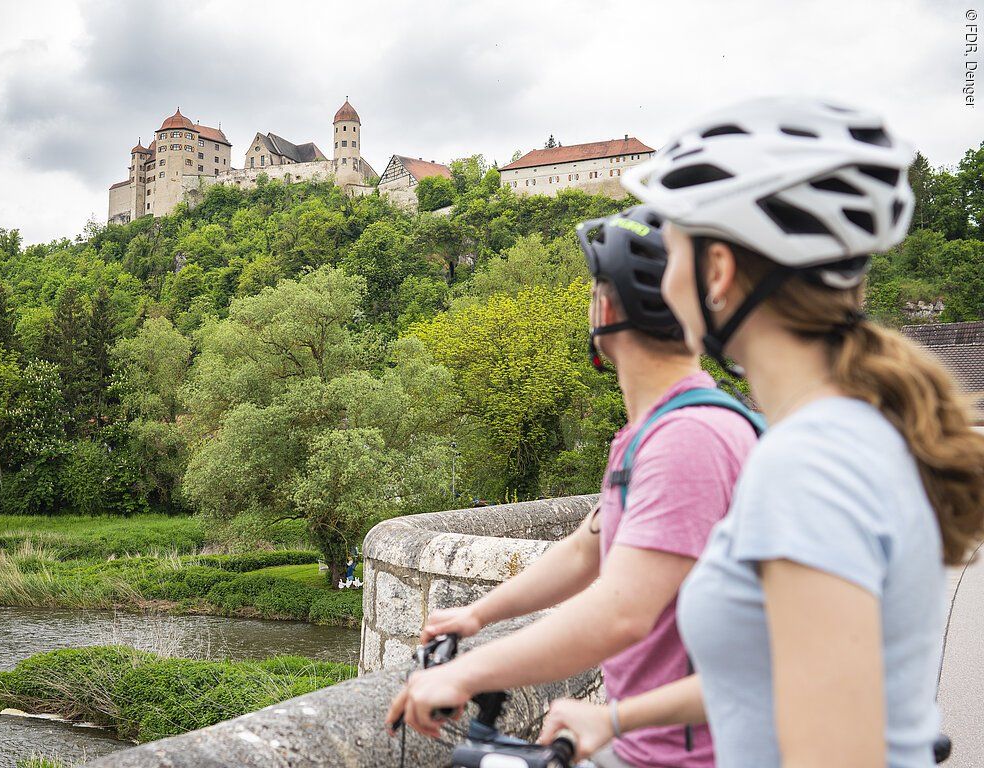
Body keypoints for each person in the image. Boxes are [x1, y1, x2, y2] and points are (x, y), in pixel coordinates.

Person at [539, 97, 984, 768]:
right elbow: (776, 673)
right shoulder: (848, 432)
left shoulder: (810, 466)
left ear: (717, 272)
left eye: (674, 246)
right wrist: (618, 715)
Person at [384, 206, 762, 768]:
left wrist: (468, 670)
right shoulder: (657, 429)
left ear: (608, 307)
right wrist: (478, 615)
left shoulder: (688, 439)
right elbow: (587, 548)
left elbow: (621, 613)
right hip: (651, 742)